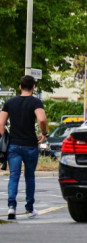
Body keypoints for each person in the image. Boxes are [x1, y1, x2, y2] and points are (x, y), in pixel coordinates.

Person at [0, 75, 49, 220]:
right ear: (34, 87)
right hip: (30, 145)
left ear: (20, 87)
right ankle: (29, 208)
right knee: (29, 176)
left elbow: (1, 124)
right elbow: (41, 119)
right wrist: (44, 133)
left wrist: (3, 138)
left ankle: (11, 207)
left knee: (14, 176)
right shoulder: (36, 102)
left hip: (13, 145)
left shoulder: (10, 102)